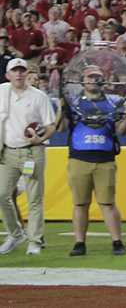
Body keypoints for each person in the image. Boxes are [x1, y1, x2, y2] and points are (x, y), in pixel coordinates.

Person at [59, 65, 126, 257]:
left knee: (107, 203)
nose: (93, 80)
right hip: (79, 158)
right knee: (80, 203)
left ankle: (117, 241)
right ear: (83, 80)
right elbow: (61, 128)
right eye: (90, 77)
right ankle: (79, 243)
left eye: (97, 77)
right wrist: (61, 110)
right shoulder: (73, 102)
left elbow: (121, 131)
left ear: (103, 80)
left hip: (104, 159)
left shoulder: (114, 102)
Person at [0, 58, 56, 255]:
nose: (19, 74)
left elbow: (51, 126)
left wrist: (38, 139)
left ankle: (35, 241)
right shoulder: (1, 92)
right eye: (14, 71)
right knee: (2, 195)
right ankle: (16, 233)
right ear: (7, 75)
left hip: (32, 152)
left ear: (26, 73)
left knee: (34, 198)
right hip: (7, 152)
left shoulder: (39, 96)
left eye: (22, 70)